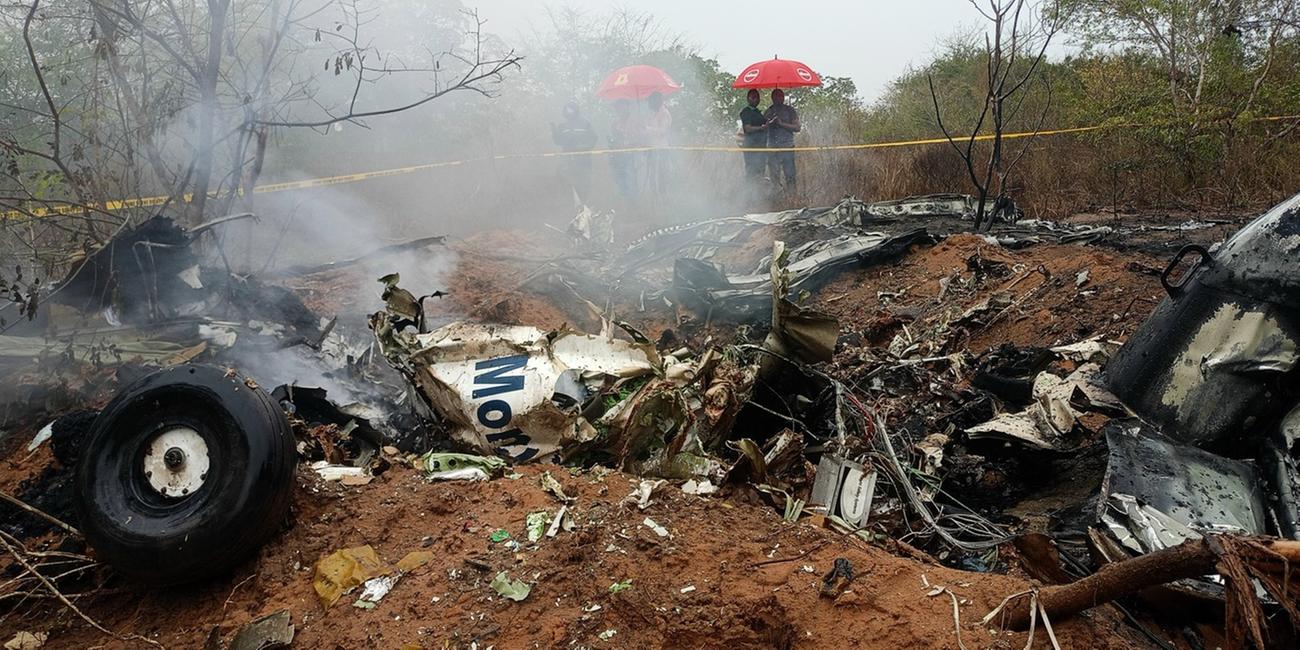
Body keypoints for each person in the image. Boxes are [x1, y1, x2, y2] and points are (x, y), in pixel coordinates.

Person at [551, 101, 598, 202]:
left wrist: (585, 147)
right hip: (568, 161)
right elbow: (558, 141)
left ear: (576, 110)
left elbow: (593, 138)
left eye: (571, 109)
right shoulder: (562, 126)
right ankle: (572, 205)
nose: (569, 112)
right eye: (567, 109)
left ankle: (584, 204)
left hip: (583, 160)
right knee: (567, 182)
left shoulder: (585, 123)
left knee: (584, 183)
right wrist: (554, 132)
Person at [763, 88, 801, 193]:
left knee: (790, 175)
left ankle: (792, 198)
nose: (779, 98)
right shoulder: (768, 112)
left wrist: (781, 124)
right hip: (772, 148)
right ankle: (776, 199)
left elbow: (797, 128)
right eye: (776, 96)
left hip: (787, 147)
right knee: (774, 176)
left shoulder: (790, 110)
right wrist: (770, 123)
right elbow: (762, 129)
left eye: (781, 96)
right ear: (772, 98)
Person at [608, 99, 643, 202]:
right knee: (619, 178)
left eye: (621, 106)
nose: (618, 109)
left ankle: (633, 203)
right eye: (617, 106)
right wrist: (614, 140)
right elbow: (613, 139)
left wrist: (629, 139)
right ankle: (624, 201)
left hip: (632, 154)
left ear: (627, 106)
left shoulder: (635, 120)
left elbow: (640, 136)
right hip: (618, 155)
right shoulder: (615, 123)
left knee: (631, 179)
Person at [643, 91, 673, 194]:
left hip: (661, 149)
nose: (649, 104)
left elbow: (662, 131)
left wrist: (646, 128)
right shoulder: (655, 114)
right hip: (653, 149)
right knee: (652, 175)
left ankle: (662, 198)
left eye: (650, 101)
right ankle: (655, 198)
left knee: (661, 176)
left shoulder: (665, 114)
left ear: (656, 101)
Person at [738, 89, 769, 181]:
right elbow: (747, 128)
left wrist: (769, 122)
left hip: (761, 145)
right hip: (751, 146)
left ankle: (759, 192)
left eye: (757, 97)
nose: (756, 99)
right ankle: (749, 192)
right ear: (748, 99)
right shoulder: (746, 112)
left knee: (761, 171)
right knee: (751, 171)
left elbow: (763, 124)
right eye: (753, 97)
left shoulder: (757, 112)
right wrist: (761, 128)